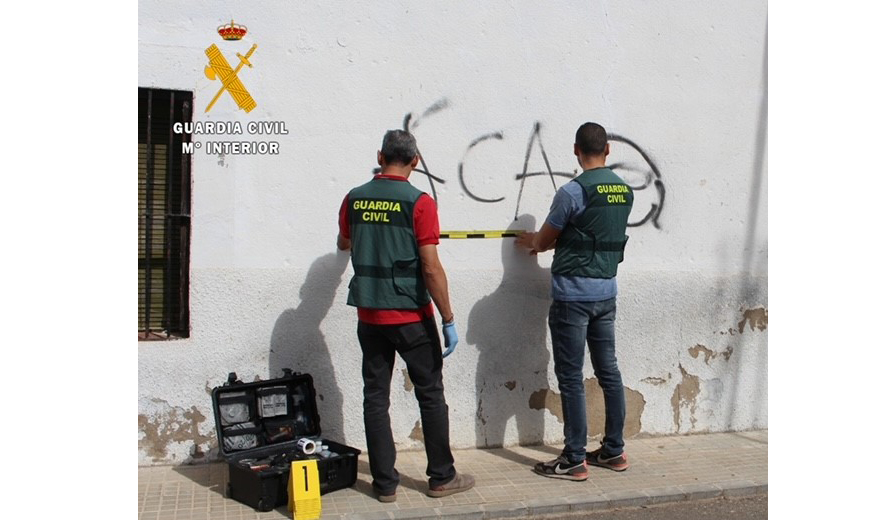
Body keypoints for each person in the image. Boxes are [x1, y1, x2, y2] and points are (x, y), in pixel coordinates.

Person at [337, 129, 475, 502]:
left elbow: (343, 241)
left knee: (375, 397)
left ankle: (384, 485)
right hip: (412, 317)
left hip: (369, 315)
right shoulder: (420, 202)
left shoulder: (354, 199)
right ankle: (442, 477)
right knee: (430, 395)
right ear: (415, 161)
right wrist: (447, 317)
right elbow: (430, 268)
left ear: (380, 156)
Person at [516, 122, 634, 481]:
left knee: (570, 377)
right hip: (606, 293)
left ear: (575, 150)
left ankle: (573, 459)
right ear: (608, 150)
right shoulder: (625, 191)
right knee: (608, 372)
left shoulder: (572, 192)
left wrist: (530, 241)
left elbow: (547, 240)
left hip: (573, 297)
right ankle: (614, 451)